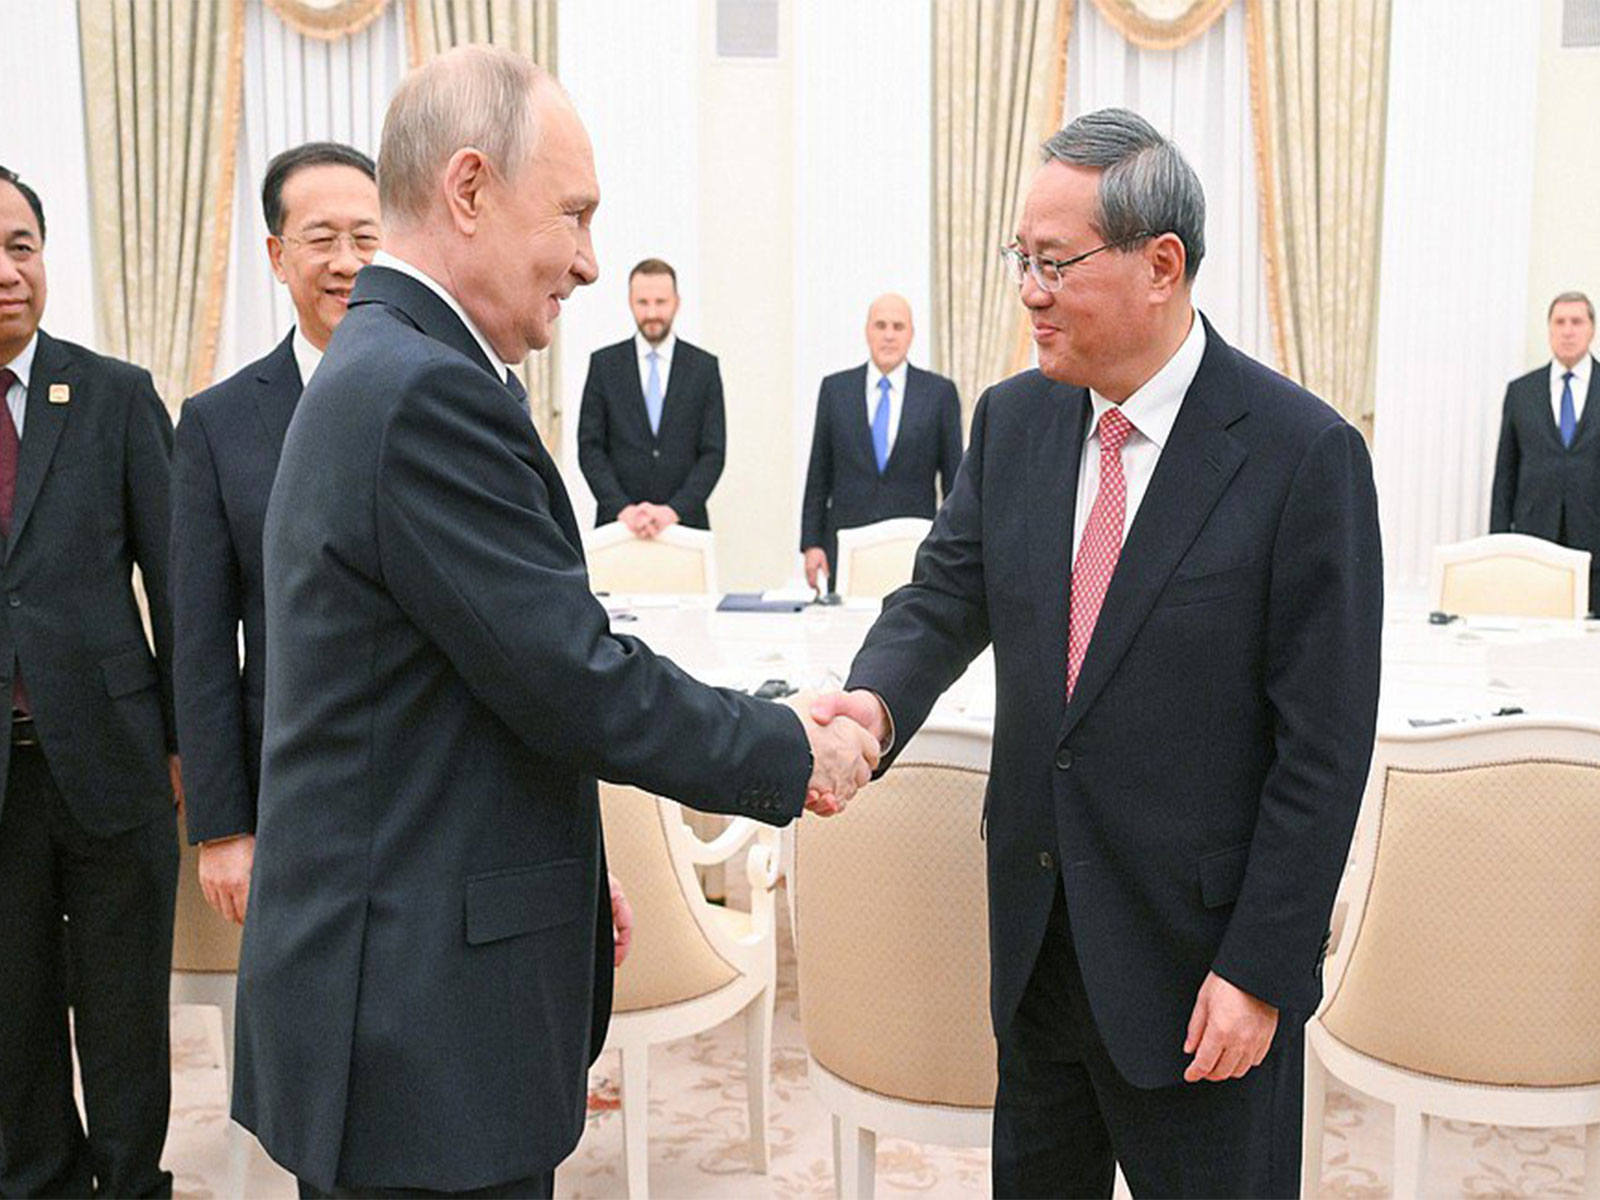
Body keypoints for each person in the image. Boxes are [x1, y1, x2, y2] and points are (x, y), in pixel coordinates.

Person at [231, 47, 877, 1199]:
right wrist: (794, 749)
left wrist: (568, 868)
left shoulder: (392, 366)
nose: (588, 259)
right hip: (416, 1024)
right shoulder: (423, 391)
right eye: (573, 215)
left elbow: (445, 701)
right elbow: (576, 679)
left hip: (407, 970)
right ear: (469, 190)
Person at [812, 109, 1383, 1197]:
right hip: (1038, 947)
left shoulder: (1301, 454)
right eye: (1018, 259)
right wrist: (873, 706)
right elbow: (944, 595)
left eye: (1053, 263)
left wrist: (1260, 970)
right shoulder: (1015, 420)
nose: (1026, 289)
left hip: (1200, 971)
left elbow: (1324, 744)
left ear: (1160, 265)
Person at [0, 165, 180, 1198]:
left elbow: (179, 584)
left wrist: (187, 744)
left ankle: (127, 1184)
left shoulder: (111, 395)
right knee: (11, 1019)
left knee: (121, 1016)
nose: (7, 270)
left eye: (23, 246)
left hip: (112, 764)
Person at [171, 141, 381, 927]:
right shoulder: (217, 424)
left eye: (366, 238)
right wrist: (222, 825)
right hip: (288, 787)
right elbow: (198, 642)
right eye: (321, 239)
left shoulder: (450, 392)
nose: (346, 261)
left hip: (429, 785)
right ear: (276, 255)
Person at [800, 293, 962, 590]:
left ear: (911, 334)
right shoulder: (836, 390)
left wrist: (951, 551)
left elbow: (954, 484)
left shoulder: (939, 394)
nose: (889, 335)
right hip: (845, 548)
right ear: (867, 331)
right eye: (881, 325)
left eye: (898, 327)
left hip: (914, 550)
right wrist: (811, 544)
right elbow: (818, 475)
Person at [577, 258, 725, 535]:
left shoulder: (704, 368)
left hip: (685, 526)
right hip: (619, 526)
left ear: (676, 303)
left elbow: (713, 453)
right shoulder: (604, 365)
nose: (652, 312)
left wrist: (673, 511)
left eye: (661, 302)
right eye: (643, 302)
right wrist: (624, 510)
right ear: (630, 302)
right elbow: (590, 448)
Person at [1490, 290, 1599, 613]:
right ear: (1549, 329)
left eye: (1576, 322)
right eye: (1560, 322)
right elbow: (1505, 474)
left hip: (1594, 546)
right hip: (1533, 543)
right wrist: (1498, 545)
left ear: (1591, 329)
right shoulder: (1521, 392)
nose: (1568, 330)